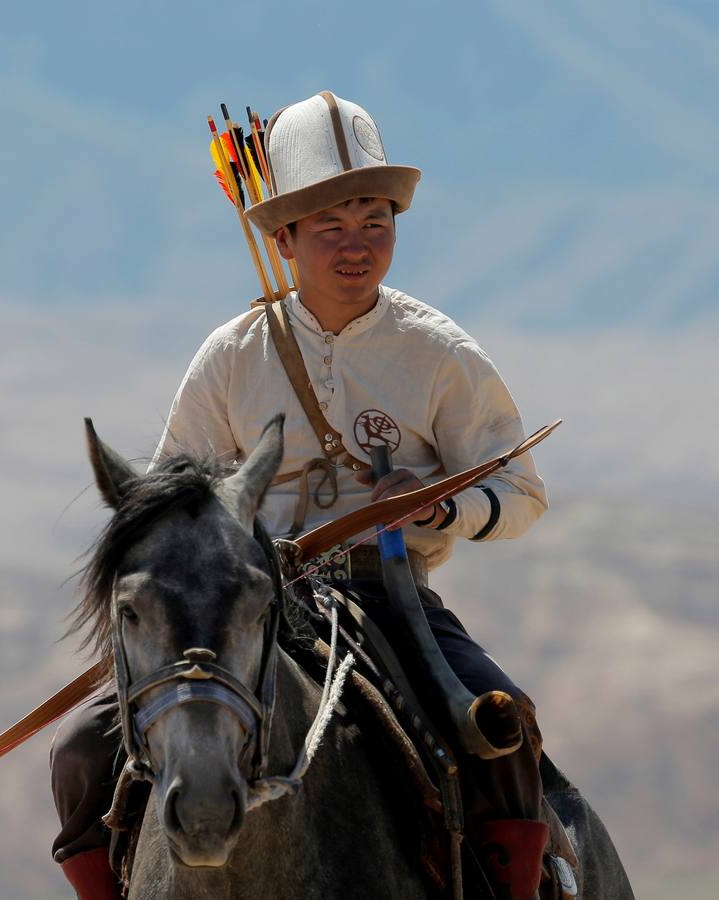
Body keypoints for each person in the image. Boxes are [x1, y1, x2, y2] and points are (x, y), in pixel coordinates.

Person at [51, 91, 550, 900]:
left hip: (389, 599)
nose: (357, 247)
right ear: (282, 239)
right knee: (77, 756)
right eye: (330, 228)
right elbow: (171, 505)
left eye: (375, 224)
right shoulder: (231, 356)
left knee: (503, 727)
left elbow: (519, 488)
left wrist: (436, 509)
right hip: (246, 603)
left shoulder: (438, 352)